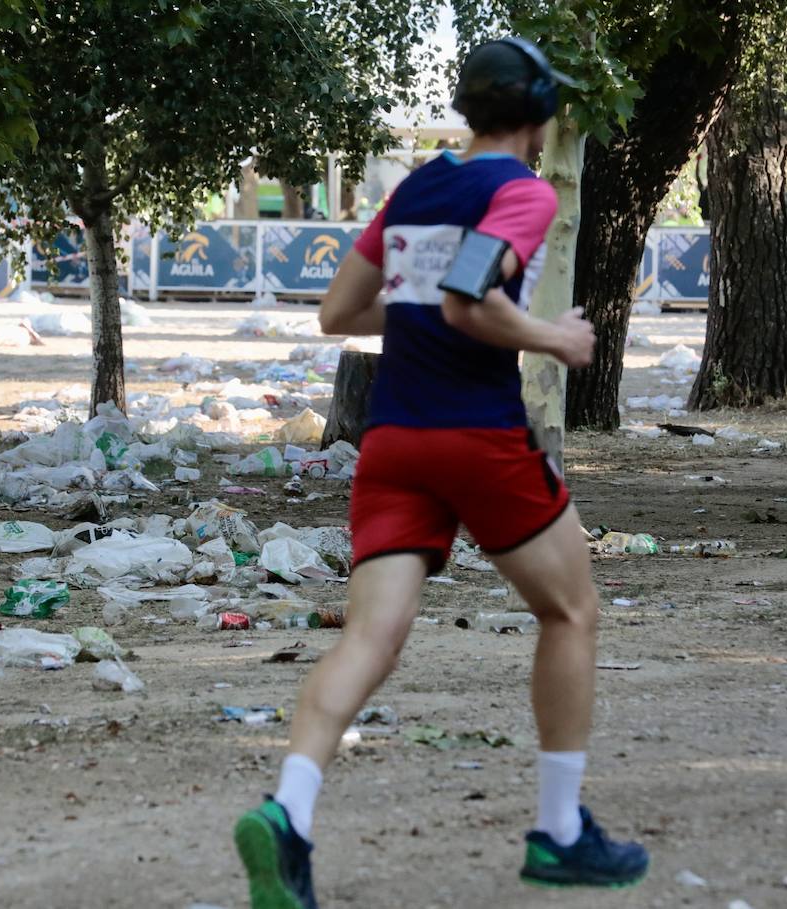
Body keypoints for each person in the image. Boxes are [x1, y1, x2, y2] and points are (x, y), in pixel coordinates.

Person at [232, 37, 649, 907]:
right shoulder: (524, 193)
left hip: (392, 444)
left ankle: (289, 814)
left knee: (369, 640)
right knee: (570, 609)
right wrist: (555, 337)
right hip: (478, 435)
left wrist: (427, 304)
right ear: (537, 117)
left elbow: (337, 312)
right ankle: (561, 832)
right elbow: (468, 299)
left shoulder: (416, 188)